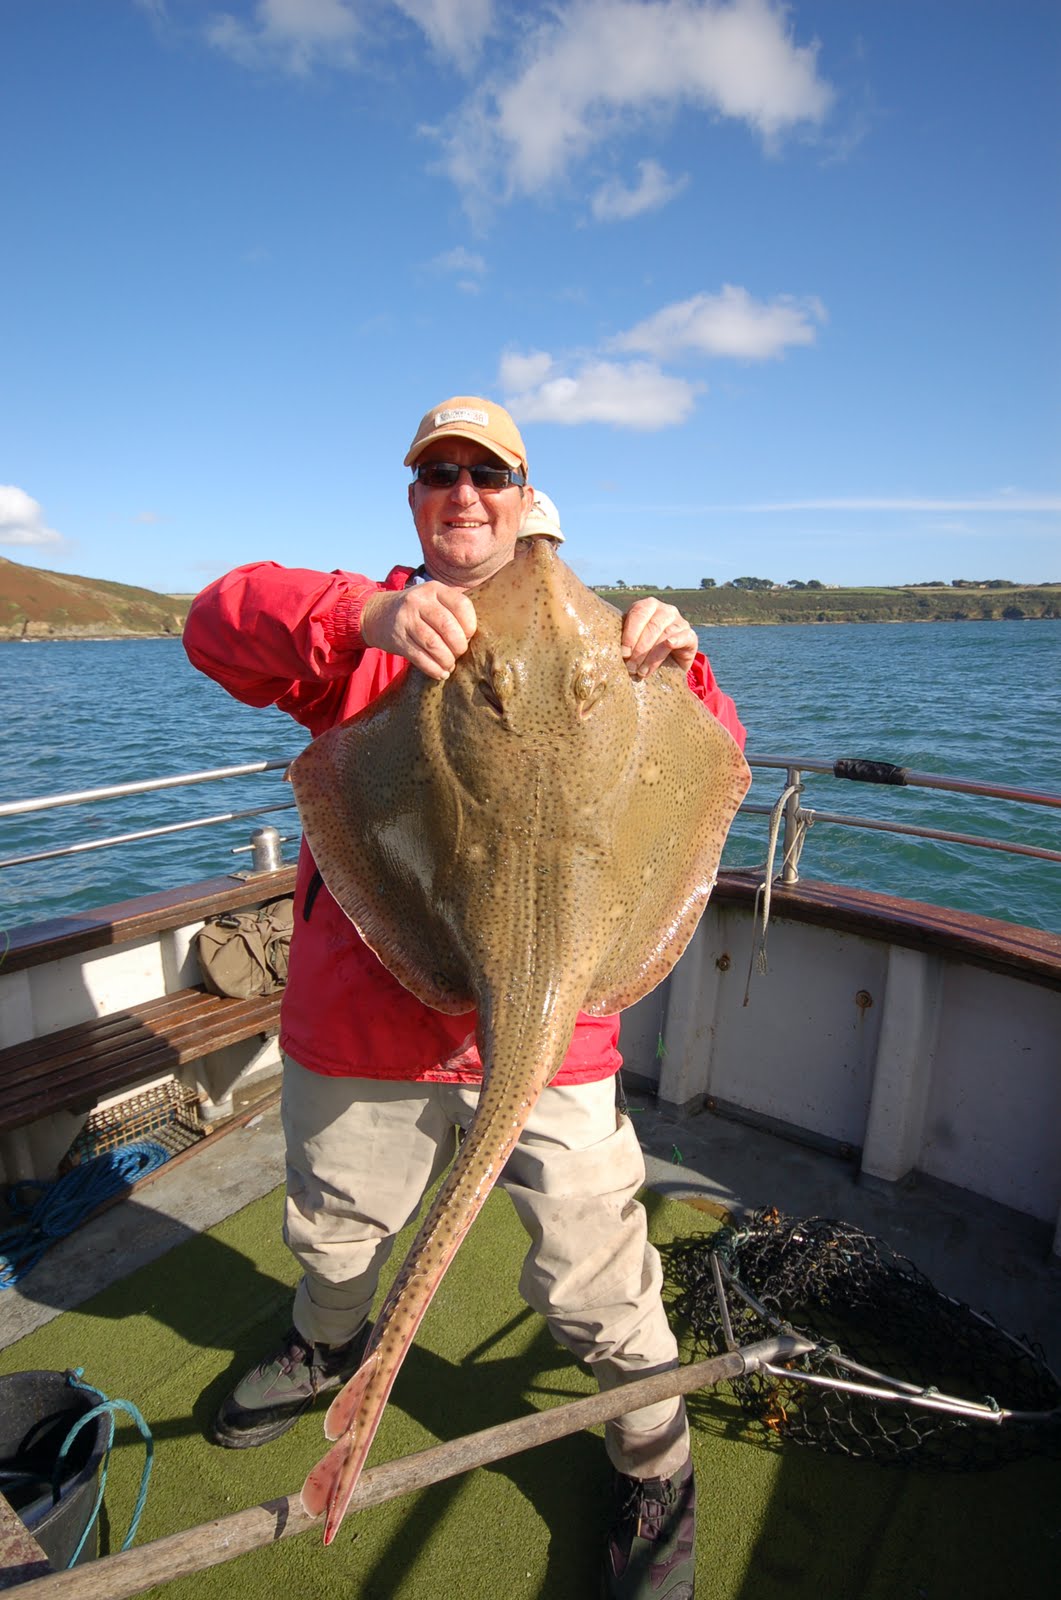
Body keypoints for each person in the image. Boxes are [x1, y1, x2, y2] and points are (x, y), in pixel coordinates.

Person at [183, 396, 746, 1600]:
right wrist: (363, 612)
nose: (463, 493)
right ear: (415, 500)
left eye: (486, 473)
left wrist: (681, 659)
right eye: (439, 472)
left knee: (598, 1281)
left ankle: (653, 1455)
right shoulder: (369, 625)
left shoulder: (619, 639)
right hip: (369, 1017)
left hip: (562, 1021)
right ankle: (327, 1345)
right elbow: (213, 623)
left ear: (522, 495)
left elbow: (712, 760)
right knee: (336, 1229)